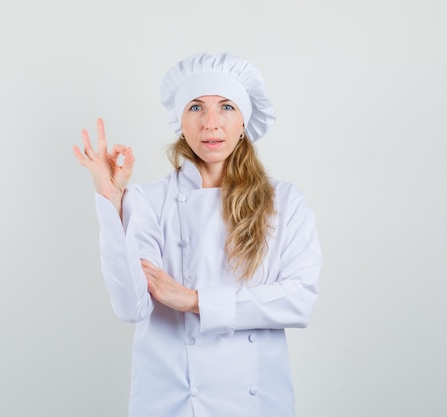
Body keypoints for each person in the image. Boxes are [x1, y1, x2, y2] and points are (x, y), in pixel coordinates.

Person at [72, 52, 322, 417]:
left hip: (257, 403)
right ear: (180, 123)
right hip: (169, 401)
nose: (211, 123)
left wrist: (195, 301)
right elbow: (131, 307)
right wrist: (111, 200)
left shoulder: (284, 202)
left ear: (243, 122)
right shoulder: (148, 200)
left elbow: (299, 300)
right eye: (195, 108)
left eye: (225, 107)